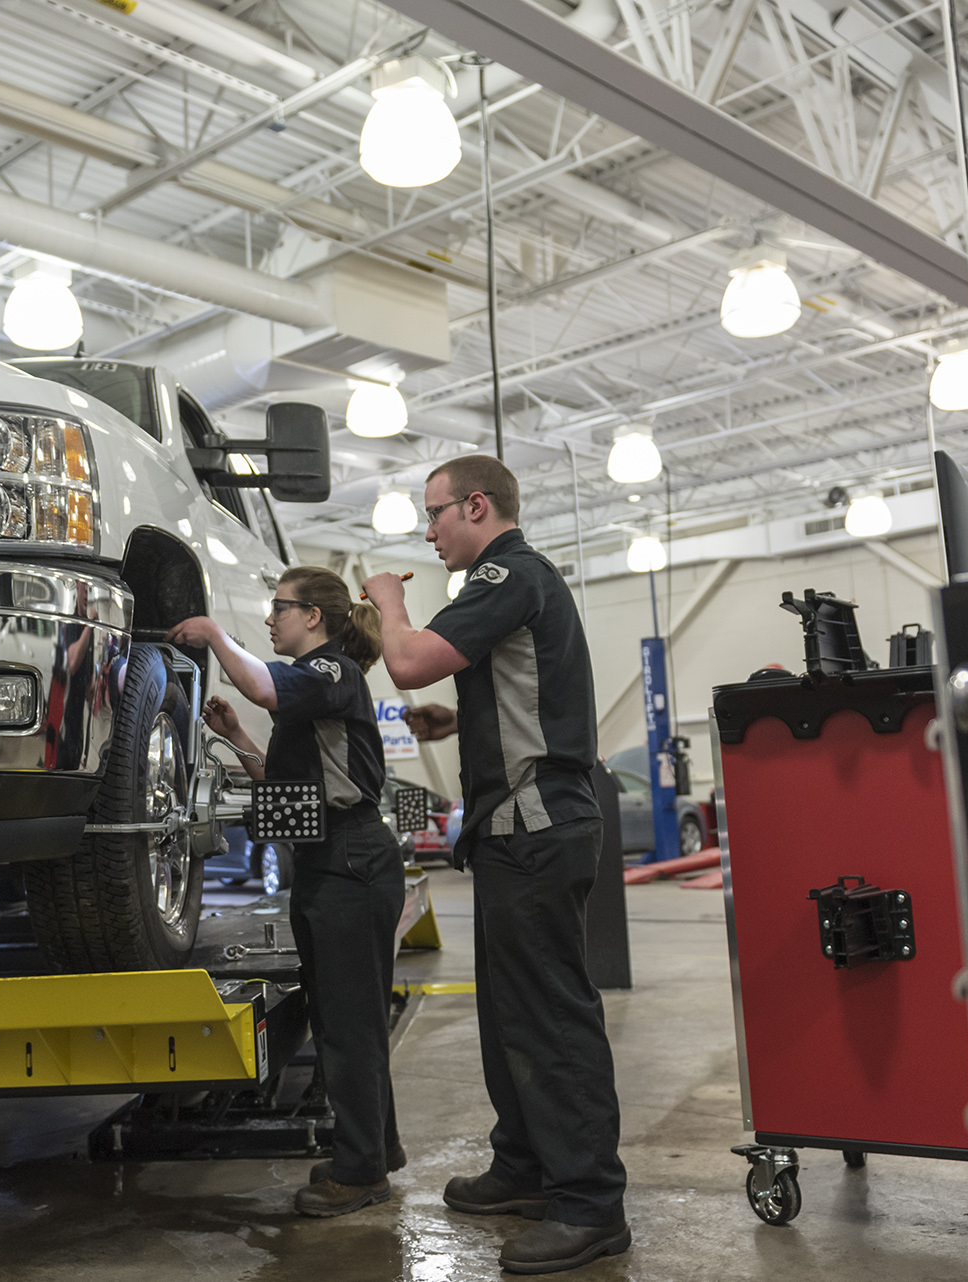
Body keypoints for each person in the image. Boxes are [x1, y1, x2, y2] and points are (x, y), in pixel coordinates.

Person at [363, 455, 630, 1276]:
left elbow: (405, 661)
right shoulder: (515, 586)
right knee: (511, 1013)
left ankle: (590, 1204)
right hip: (514, 832)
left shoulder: (507, 573)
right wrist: (460, 717)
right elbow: (518, 690)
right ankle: (524, 1165)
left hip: (536, 828)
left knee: (550, 1015)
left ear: (476, 506)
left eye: (435, 515)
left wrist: (387, 601)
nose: (431, 532)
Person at [165, 566, 407, 1217]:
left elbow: (260, 685)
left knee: (350, 1026)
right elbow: (288, 781)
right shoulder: (310, 693)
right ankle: (373, 1149)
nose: (270, 620)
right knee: (340, 1019)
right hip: (326, 864)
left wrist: (213, 632)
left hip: (351, 865)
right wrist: (237, 739)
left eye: (279, 608)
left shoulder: (330, 673)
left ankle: (359, 1173)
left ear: (314, 618)